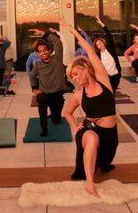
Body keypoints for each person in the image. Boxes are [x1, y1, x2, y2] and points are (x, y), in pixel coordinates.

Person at [61, 19, 118, 198]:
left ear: (85, 69)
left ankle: (97, 167)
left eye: (75, 74)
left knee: (104, 160)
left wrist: (73, 31)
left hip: (110, 137)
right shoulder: (78, 95)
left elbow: (90, 51)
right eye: (72, 77)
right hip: (88, 130)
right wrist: (74, 125)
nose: (74, 79)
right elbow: (67, 113)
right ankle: (89, 184)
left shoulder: (102, 79)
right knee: (91, 138)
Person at [29, 27, 70, 136]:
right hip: (44, 94)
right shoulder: (38, 64)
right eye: (40, 51)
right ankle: (44, 128)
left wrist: (44, 33)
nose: (43, 53)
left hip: (57, 94)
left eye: (45, 50)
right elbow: (32, 76)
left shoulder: (57, 58)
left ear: (49, 50)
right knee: (41, 101)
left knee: (56, 120)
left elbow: (57, 41)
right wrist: (34, 88)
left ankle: (53, 115)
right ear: (38, 54)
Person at [93, 17, 122, 93]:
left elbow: (110, 36)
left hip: (115, 76)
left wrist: (103, 25)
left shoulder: (110, 49)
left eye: (100, 42)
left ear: (103, 42)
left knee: (113, 93)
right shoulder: (98, 55)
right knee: (108, 93)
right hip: (106, 77)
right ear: (97, 47)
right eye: (98, 44)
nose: (100, 45)